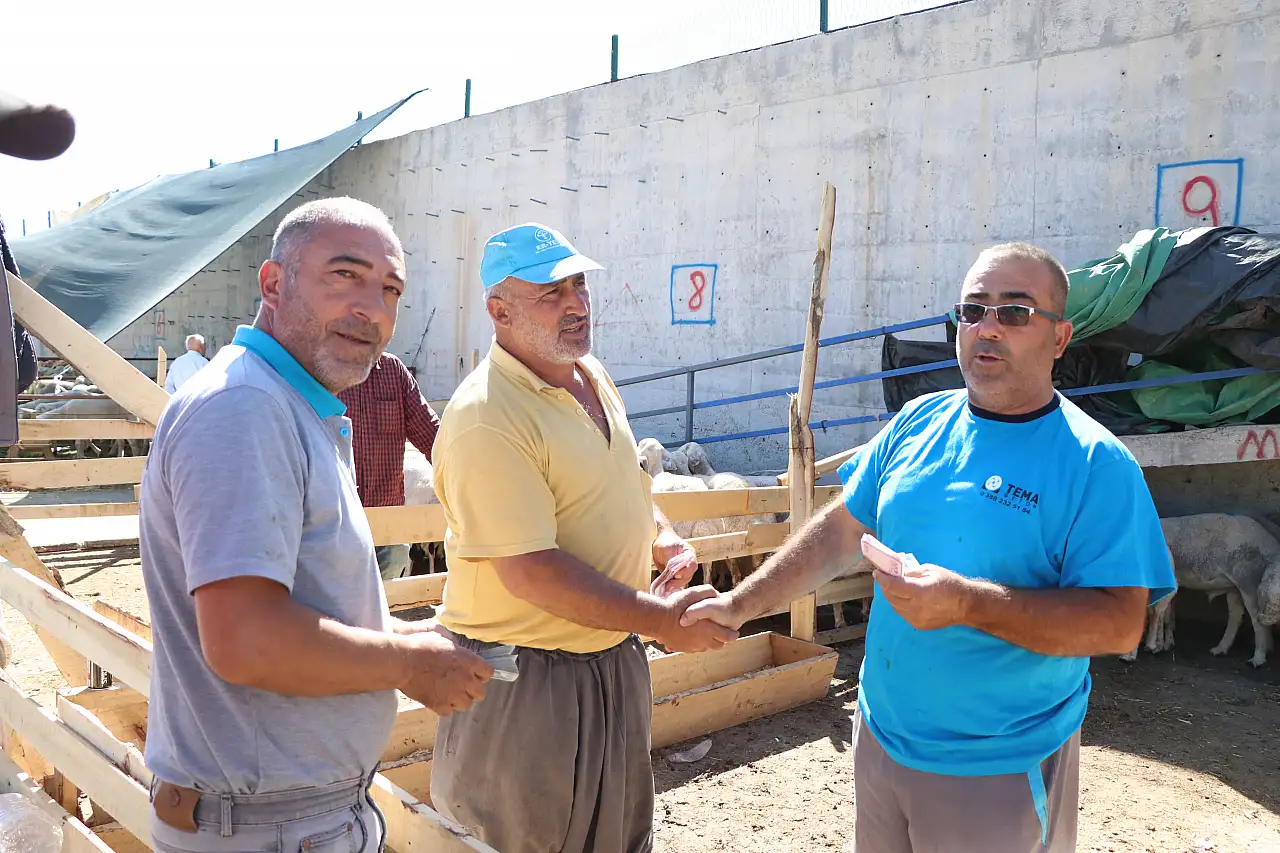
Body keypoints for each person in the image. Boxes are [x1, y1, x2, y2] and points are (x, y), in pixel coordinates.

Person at [681, 243, 1177, 853]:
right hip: (881, 740)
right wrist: (739, 604)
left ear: (1059, 337)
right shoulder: (917, 421)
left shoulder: (1097, 463)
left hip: (998, 767)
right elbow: (840, 532)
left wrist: (968, 603)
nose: (987, 327)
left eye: (1014, 312)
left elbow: (1119, 624)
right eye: (972, 310)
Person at [138, 197, 493, 853]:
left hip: (290, 819)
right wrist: (408, 664)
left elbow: (303, 606)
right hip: (266, 828)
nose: (372, 308)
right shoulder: (244, 408)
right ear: (274, 284)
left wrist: (412, 638)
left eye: (390, 290)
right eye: (345, 275)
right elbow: (246, 640)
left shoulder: (287, 405)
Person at [428, 223, 735, 853]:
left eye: (579, 285)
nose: (577, 304)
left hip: (611, 657)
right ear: (498, 311)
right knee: (524, 838)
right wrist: (660, 620)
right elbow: (529, 570)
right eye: (551, 293)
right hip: (527, 680)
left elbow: (624, 480)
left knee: (618, 835)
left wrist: (661, 537)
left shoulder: (589, 375)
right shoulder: (487, 416)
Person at [336, 350, 440, 579]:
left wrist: (470, 473)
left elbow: (432, 436)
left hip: (389, 527)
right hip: (338, 524)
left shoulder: (393, 371)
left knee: (387, 595)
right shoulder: (322, 372)